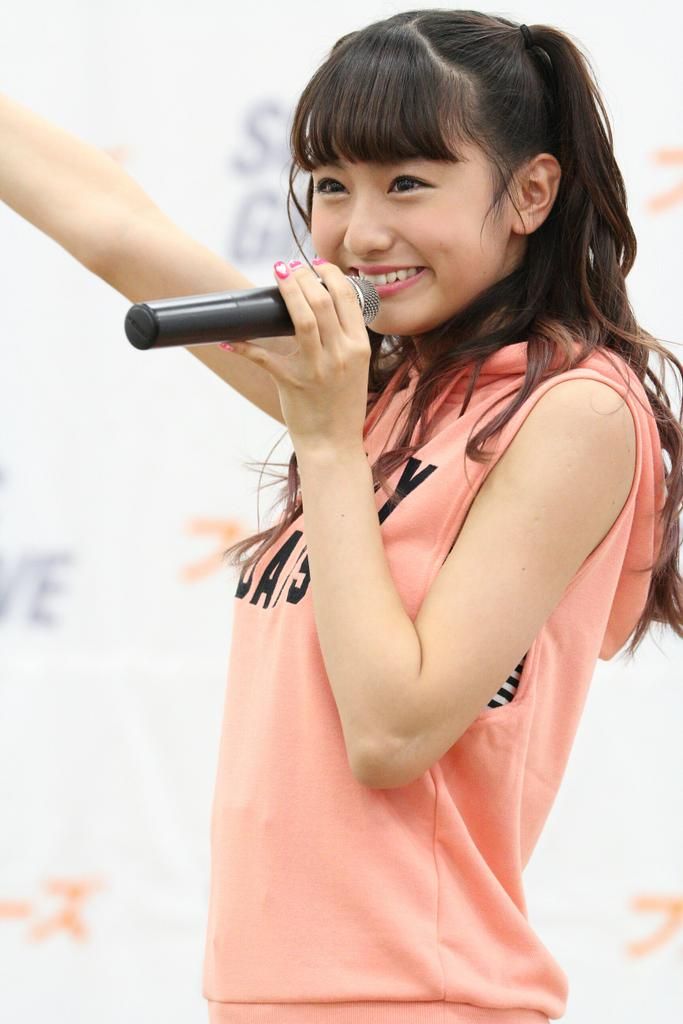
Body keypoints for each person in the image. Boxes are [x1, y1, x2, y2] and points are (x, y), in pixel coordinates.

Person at [2, 9, 681, 1023]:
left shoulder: (573, 412)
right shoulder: (382, 394)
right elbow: (118, 230)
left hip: (420, 995)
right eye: (329, 186)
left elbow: (392, 730)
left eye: (406, 183)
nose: (358, 234)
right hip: (270, 996)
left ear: (530, 192)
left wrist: (324, 439)